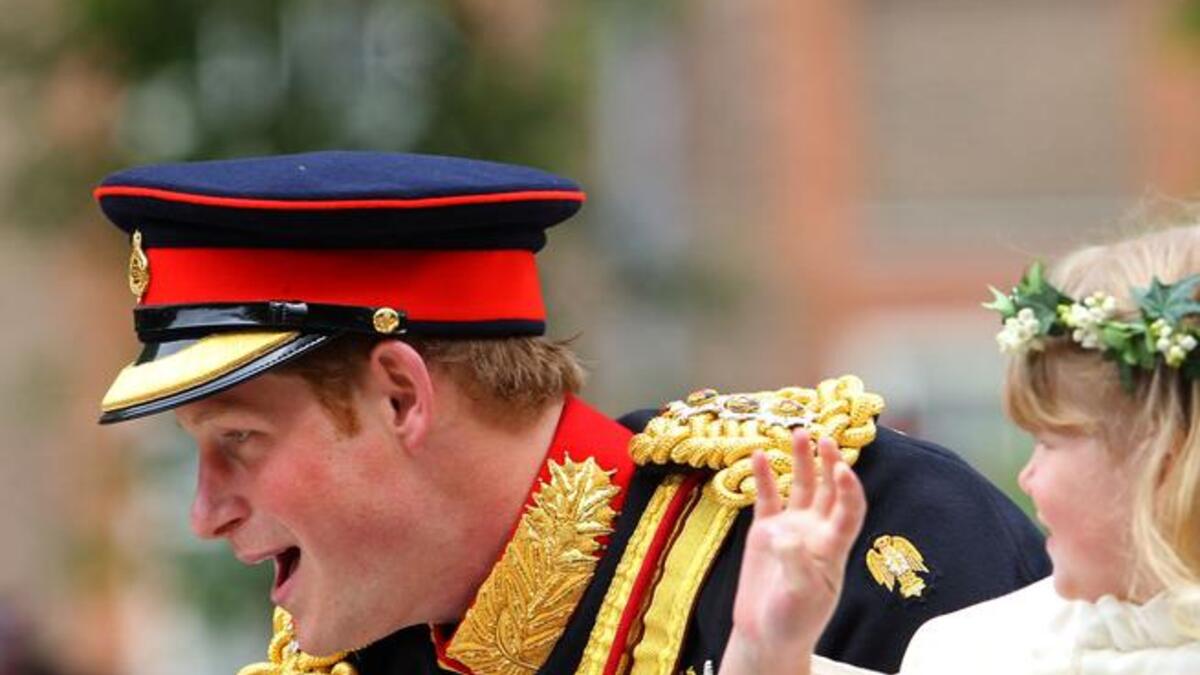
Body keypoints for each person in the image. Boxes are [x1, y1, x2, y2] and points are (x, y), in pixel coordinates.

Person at [93, 151, 1049, 675]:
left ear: (400, 395)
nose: (204, 511)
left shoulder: (861, 524)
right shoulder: (349, 654)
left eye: (239, 443)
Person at [720, 224, 1200, 674]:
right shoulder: (977, 648)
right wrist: (766, 653)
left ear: (1163, 460)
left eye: (1049, 442)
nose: (1026, 477)